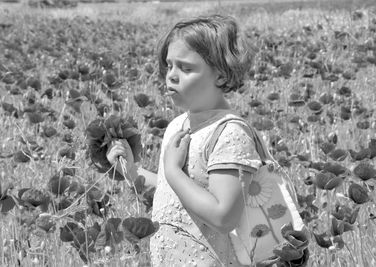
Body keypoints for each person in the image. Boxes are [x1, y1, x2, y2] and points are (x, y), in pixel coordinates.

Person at [107, 14, 273, 266]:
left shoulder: (229, 133)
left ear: (221, 74)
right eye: (169, 65)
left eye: (185, 68)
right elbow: (171, 190)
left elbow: (223, 216)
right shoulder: (179, 123)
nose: (171, 75)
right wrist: (131, 170)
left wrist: (173, 171)